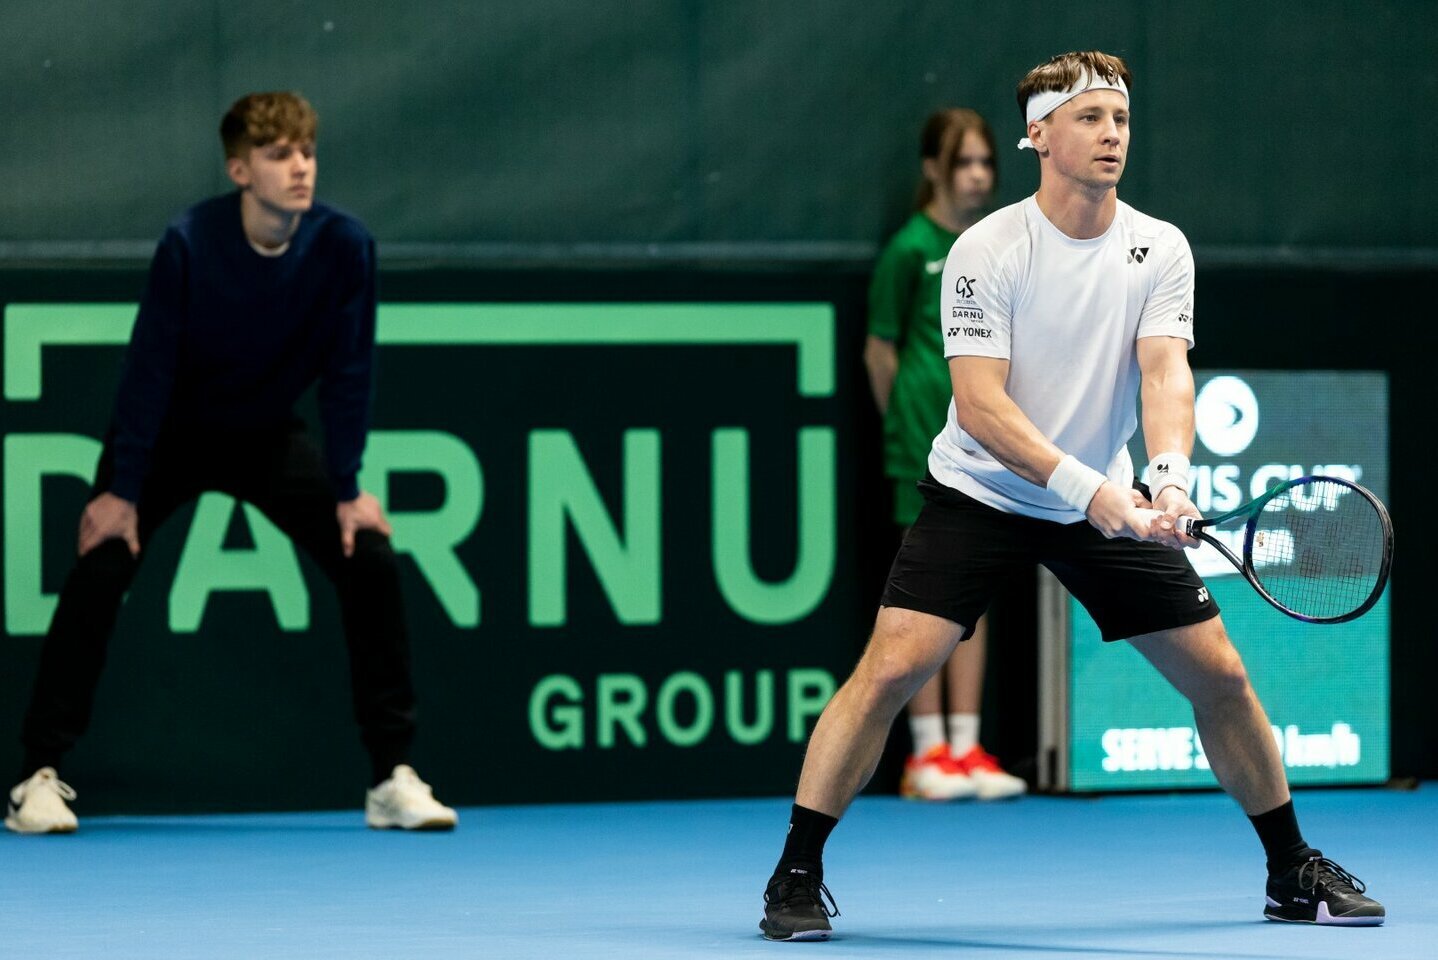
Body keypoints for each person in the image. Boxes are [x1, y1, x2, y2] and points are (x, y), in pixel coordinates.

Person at [759, 51, 1384, 940]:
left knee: (1222, 677)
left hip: (1102, 499)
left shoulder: (1158, 246)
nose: (1111, 136)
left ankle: (1291, 868)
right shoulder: (985, 248)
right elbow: (980, 405)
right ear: (1038, 135)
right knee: (890, 670)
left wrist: (1167, 475)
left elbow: (1165, 371)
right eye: (1089, 119)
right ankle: (796, 869)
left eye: (1120, 120)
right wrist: (1094, 490)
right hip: (980, 491)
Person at [5, 92, 457, 834]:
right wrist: (124, 488)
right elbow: (149, 368)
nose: (300, 168)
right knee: (103, 564)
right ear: (240, 169)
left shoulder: (346, 246)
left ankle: (390, 778)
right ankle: (37, 777)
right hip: (170, 435)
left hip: (266, 436)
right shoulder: (189, 242)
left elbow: (349, 371)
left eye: (307, 152)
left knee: (368, 555)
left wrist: (346, 488)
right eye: (280, 155)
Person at [864, 108, 1025, 802]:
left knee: (973, 598)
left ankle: (967, 747)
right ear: (933, 169)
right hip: (920, 452)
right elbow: (880, 348)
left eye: (987, 163)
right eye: (964, 164)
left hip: (987, 452)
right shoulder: (909, 249)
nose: (979, 178)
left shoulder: (998, 249)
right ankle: (925, 755)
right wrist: (907, 425)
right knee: (923, 599)